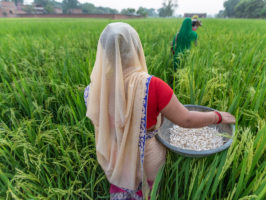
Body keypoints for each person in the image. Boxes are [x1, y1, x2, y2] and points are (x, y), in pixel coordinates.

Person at [84, 22, 235, 200]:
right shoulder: (152, 86)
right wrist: (216, 116)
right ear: (136, 47)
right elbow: (185, 119)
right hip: (147, 157)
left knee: (123, 187)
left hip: (116, 154)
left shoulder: (94, 89)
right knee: (150, 192)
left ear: (104, 51)